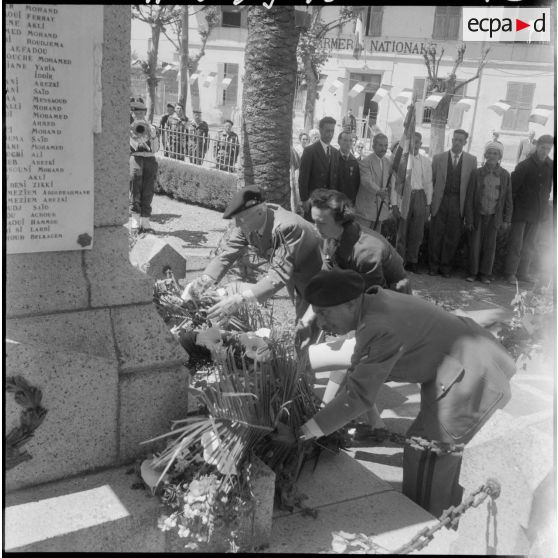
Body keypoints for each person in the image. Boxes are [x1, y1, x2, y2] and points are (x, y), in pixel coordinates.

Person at [298, 268, 516, 517]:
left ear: (349, 304)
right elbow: (360, 371)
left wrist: (306, 432)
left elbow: (358, 395)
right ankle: (440, 510)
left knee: (429, 455)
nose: (321, 323)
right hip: (460, 363)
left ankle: (429, 522)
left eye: (324, 313)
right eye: (316, 313)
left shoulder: (380, 326)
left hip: (472, 376)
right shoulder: (371, 302)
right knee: (428, 452)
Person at [180, 186, 323, 322]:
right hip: (293, 272)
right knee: (305, 320)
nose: (236, 224)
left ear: (260, 211)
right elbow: (228, 252)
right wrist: (202, 282)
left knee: (312, 323)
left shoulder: (286, 228)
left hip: (317, 274)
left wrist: (239, 300)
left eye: (240, 218)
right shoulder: (247, 224)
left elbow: (278, 276)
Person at [504, 134, 554, 284]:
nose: (545, 151)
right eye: (543, 147)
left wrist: (545, 207)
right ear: (537, 146)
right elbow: (512, 190)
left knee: (530, 245)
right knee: (516, 244)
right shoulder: (524, 165)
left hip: (538, 212)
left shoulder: (551, 166)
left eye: (548, 149)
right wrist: (510, 211)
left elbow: (548, 188)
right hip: (521, 211)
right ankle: (510, 273)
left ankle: (523, 273)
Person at [429, 129, 478, 278]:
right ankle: (433, 266)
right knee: (436, 234)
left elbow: (471, 185)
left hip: (458, 202)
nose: (456, 142)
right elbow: (432, 181)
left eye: (460, 140)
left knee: (452, 236)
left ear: (465, 142)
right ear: (451, 140)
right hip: (441, 200)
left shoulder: (471, 160)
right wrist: (431, 203)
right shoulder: (439, 158)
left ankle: (446, 267)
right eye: (454, 139)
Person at [464, 142, 513, 284]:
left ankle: (485, 274)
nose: (492, 156)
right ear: (485, 155)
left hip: (494, 217)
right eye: (489, 153)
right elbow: (469, 197)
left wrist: (507, 219)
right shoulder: (477, 173)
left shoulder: (504, 175)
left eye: (495, 153)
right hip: (478, 215)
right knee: (475, 245)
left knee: (490, 247)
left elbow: (508, 198)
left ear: (500, 157)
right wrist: (469, 218)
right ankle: (473, 273)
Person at [391, 132, 433, 273]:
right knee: (402, 230)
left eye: (418, 143)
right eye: (413, 142)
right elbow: (394, 184)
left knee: (417, 231)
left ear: (421, 144)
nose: (415, 145)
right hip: (404, 196)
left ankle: (412, 261)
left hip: (420, 196)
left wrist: (428, 203)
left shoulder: (426, 161)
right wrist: (395, 204)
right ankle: (399, 261)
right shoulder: (402, 161)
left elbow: (428, 183)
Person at [298, 116, 340, 215]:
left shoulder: (335, 152)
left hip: (329, 202)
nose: (330, 134)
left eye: (332, 131)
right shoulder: (310, 151)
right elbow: (303, 178)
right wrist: (304, 200)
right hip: (313, 201)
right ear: (320, 130)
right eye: (327, 131)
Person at [129, 99, 159, 231]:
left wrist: (153, 136)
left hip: (150, 160)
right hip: (136, 159)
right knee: (135, 188)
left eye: (142, 113)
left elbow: (155, 149)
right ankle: (135, 220)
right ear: (132, 113)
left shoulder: (150, 127)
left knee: (148, 190)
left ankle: (145, 221)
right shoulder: (129, 128)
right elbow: (131, 147)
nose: (140, 115)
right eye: (137, 113)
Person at [355, 133, 393, 232]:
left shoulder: (387, 162)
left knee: (376, 242)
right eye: (380, 145)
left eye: (386, 145)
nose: (383, 148)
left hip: (380, 209)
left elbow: (389, 183)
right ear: (373, 146)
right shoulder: (365, 161)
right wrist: (379, 191)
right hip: (366, 210)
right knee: (362, 239)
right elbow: (366, 182)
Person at [335, 131, 360, 203]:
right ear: (339, 141)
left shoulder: (354, 161)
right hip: (334, 200)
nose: (348, 143)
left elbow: (356, 183)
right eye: (345, 140)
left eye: (350, 141)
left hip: (348, 202)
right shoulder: (333, 158)